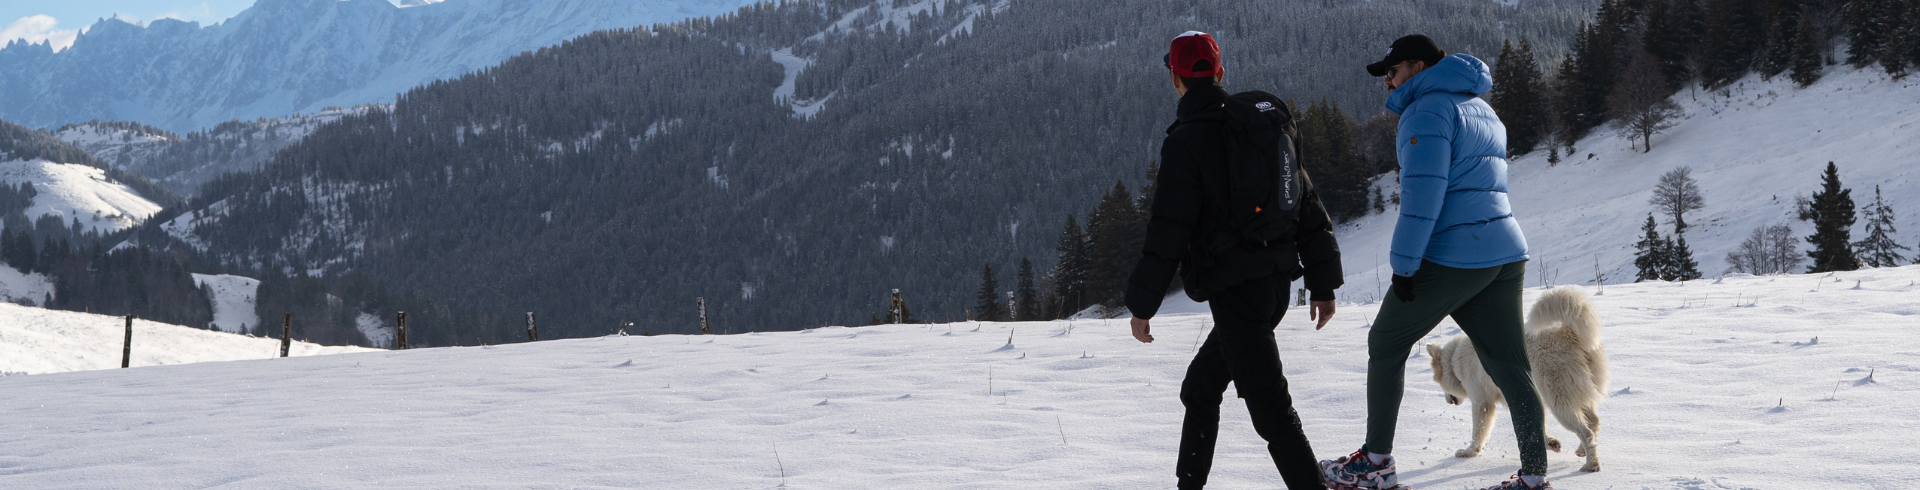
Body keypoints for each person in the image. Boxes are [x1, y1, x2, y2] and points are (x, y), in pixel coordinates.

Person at [1315, 35, 1549, 490]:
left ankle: (1375, 463)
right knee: (1509, 363)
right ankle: (1534, 478)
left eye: (1392, 71)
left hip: (1454, 254)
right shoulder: (1481, 107)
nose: (1387, 81)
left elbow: (1423, 196)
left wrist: (1404, 268)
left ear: (1417, 67)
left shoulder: (1427, 110)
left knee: (1385, 341)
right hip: (1503, 251)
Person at [1125, 31, 1344, 490]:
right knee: (1200, 389)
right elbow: (1305, 200)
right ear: (1220, 73)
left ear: (1175, 79)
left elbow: (1169, 229)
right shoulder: (1260, 126)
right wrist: (1322, 283)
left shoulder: (1186, 140)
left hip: (1237, 295)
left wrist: (1142, 303)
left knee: (1272, 414)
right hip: (1274, 287)